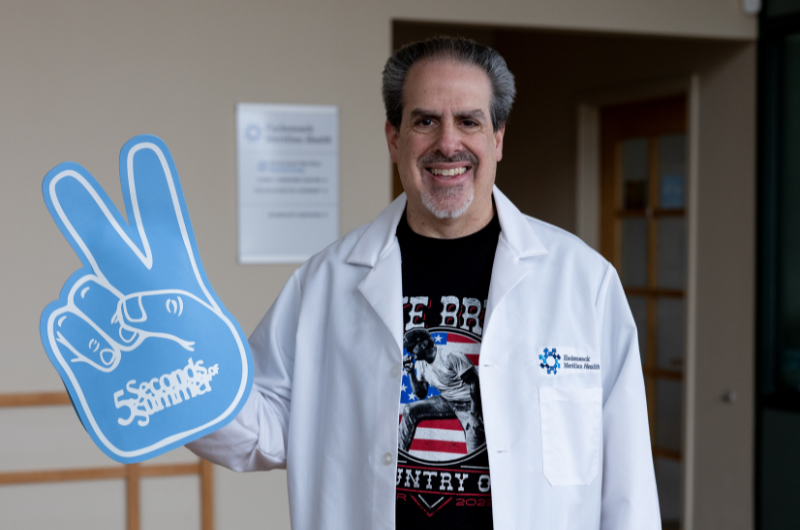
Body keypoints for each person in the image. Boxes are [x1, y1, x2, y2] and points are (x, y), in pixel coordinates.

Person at [188, 36, 661, 529]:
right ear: (394, 138)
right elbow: (261, 427)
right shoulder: (325, 283)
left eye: (469, 121)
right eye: (425, 120)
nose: (448, 143)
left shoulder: (583, 282)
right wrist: (177, 376)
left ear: (498, 137)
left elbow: (627, 483)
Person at [399, 328, 485, 454]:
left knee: (474, 444)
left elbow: (475, 382)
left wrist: (474, 414)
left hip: (469, 403)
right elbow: (421, 394)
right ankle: (400, 456)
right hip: (447, 400)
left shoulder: (450, 355)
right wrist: (411, 373)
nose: (409, 351)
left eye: (412, 346)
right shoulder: (420, 362)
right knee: (409, 410)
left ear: (424, 344)